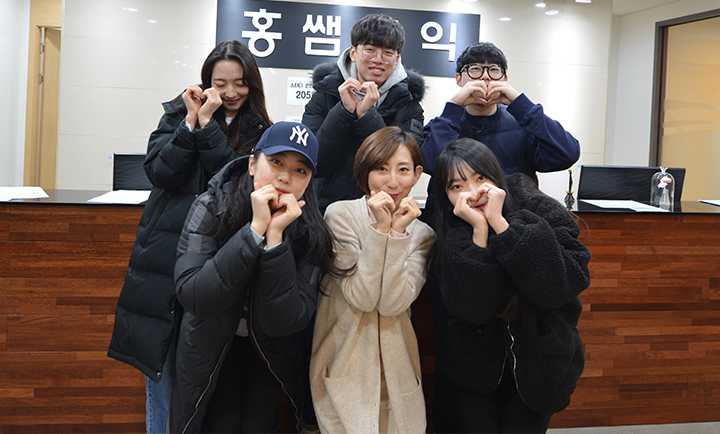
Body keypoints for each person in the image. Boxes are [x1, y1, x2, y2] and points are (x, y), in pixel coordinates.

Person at [107, 40, 271, 433]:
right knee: (161, 376)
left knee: (200, 384)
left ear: (252, 84)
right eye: (221, 83)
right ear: (207, 81)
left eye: (240, 83)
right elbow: (160, 172)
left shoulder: (261, 131)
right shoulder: (177, 114)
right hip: (162, 261)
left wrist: (208, 127)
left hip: (213, 266)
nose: (231, 92)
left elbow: (232, 183)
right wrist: (190, 123)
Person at [167, 121, 338, 433]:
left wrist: (275, 240)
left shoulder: (311, 229)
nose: (285, 177)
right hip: (211, 341)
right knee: (221, 424)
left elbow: (285, 321)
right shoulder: (212, 206)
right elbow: (195, 296)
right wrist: (254, 230)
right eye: (276, 162)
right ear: (252, 164)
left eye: (300, 170)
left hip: (271, 349)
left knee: (259, 424)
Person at [430, 138, 591, 433]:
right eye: (457, 186)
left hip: (540, 364)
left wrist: (499, 223)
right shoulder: (453, 232)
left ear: (496, 175)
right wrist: (480, 231)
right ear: (447, 195)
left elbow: (557, 286)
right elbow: (473, 310)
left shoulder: (535, 204)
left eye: (480, 178)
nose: (473, 193)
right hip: (478, 368)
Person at [310, 126, 435, 434]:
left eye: (403, 170)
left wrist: (398, 232)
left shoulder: (422, 234)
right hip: (344, 368)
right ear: (365, 172)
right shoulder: (340, 216)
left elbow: (392, 304)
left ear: (417, 175)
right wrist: (381, 231)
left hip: (396, 372)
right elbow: (362, 297)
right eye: (381, 168)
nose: (392, 182)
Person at [421, 41, 580, 220]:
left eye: (494, 70)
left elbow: (567, 154)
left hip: (512, 224)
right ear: (459, 79)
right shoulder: (444, 124)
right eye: (475, 69)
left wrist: (521, 105)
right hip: (452, 225)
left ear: (505, 79)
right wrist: (454, 106)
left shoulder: (523, 123)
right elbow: (429, 165)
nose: (485, 77)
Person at [302, 13, 425, 213]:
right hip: (324, 211)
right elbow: (315, 163)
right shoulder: (324, 95)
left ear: (397, 59)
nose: (378, 60)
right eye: (370, 50)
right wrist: (344, 111)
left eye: (388, 53)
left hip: (384, 210)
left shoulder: (409, 105)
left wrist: (367, 115)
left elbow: (402, 165)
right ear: (353, 52)